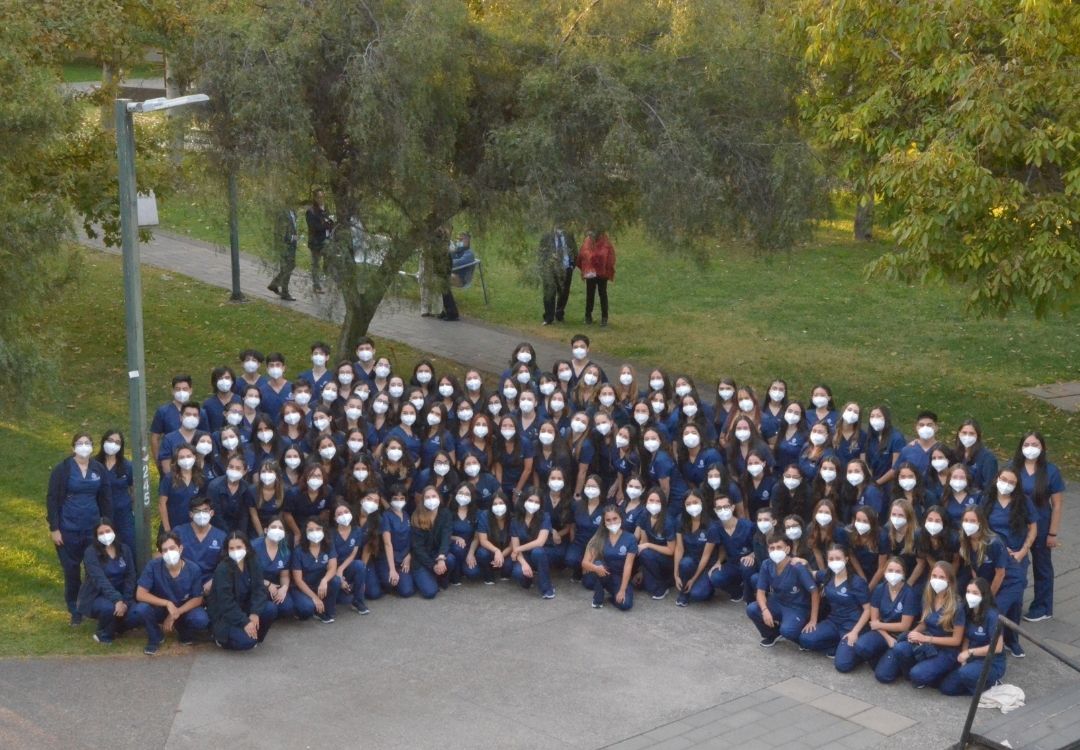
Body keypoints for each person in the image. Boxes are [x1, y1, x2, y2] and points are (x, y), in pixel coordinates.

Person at [47, 433, 113, 624]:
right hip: (68, 528)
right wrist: (55, 528)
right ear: (73, 447)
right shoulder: (63, 469)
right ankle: (74, 609)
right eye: (80, 443)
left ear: (92, 447)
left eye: (87, 443)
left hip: (92, 528)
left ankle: (91, 605)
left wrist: (107, 525)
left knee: (94, 568)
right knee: (72, 569)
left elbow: (106, 498)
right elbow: (52, 499)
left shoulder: (98, 469)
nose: (84, 446)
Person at [881, 560, 965, 688]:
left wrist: (926, 638)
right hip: (926, 642)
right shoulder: (929, 597)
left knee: (917, 675)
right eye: (934, 576)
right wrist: (915, 632)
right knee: (900, 648)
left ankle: (932, 672)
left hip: (946, 650)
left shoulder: (957, 606)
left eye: (942, 577)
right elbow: (925, 622)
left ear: (949, 580)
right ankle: (919, 670)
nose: (937, 580)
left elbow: (956, 640)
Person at [1012, 431, 1066, 623]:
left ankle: (1043, 607)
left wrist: (1053, 532)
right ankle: (1012, 603)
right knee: (1015, 563)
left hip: (1042, 525)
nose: (1030, 448)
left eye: (1035, 445)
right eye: (1027, 444)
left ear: (1042, 448)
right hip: (1018, 525)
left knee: (1042, 566)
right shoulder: (1014, 468)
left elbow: (1057, 504)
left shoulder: (1050, 471)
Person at [131, 532, 210, 655]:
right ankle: (155, 637)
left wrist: (175, 613)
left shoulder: (193, 569)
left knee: (200, 619)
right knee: (141, 608)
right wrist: (167, 603)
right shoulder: (153, 566)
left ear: (180, 548)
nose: (169, 553)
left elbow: (197, 599)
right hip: (160, 609)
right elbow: (140, 594)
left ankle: (184, 632)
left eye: (172, 548)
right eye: (165, 550)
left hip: (183, 610)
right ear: (161, 553)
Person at [842, 557, 918, 680]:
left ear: (904, 574)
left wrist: (880, 626)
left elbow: (904, 626)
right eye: (890, 570)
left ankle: (893, 662)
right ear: (884, 572)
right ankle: (883, 656)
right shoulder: (879, 589)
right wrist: (887, 637)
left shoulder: (909, 593)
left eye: (898, 571)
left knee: (883, 676)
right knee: (861, 646)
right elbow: (873, 622)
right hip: (881, 633)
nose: (893, 574)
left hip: (900, 637)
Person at [800, 544, 871, 665]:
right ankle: (837, 646)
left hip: (851, 625)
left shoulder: (857, 582)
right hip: (833, 621)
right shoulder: (827, 575)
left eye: (838, 558)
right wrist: (799, 561)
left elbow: (868, 610)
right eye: (831, 559)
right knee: (805, 639)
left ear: (846, 559)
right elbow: (810, 573)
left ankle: (855, 651)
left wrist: (854, 632)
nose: (834, 562)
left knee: (843, 664)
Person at [745, 532, 820, 647]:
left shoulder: (797, 567)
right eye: (772, 548)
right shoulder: (767, 564)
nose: (775, 551)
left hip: (797, 607)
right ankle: (772, 634)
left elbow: (814, 592)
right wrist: (765, 610)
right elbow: (760, 592)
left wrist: (813, 620)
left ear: (787, 549)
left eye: (779, 547)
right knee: (752, 609)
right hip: (777, 602)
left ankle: (800, 635)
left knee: (787, 631)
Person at [206, 533, 275, 650]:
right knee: (246, 643)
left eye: (239, 547)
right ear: (227, 550)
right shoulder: (222, 568)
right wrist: (245, 622)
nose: (235, 551)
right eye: (231, 548)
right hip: (225, 615)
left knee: (270, 609)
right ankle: (220, 638)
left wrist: (255, 613)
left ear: (246, 547)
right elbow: (225, 603)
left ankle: (254, 636)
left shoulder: (253, 562)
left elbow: (259, 589)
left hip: (245, 608)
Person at [940, 577, 1007, 695]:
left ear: (984, 595)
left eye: (975, 593)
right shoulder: (968, 610)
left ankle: (989, 684)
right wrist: (965, 654)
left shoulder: (992, 616)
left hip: (991, 661)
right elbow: (967, 636)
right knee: (947, 688)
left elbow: (997, 647)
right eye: (968, 592)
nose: (970, 595)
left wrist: (969, 652)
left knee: (965, 673)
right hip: (973, 657)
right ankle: (973, 683)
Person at [77, 518, 137, 644]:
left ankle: (114, 628)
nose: (105, 535)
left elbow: (130, 576)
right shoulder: (90, 553)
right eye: (101, 533)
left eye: (108, 531)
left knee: (138, 613)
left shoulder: (124, 549)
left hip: (122, 595)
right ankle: (105, 635)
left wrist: (125, 601)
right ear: (96, 536)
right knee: (110, 608)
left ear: (114, 531)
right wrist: (117, 600)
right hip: (96, 596)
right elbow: (100, 580)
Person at [581, 505, 637, 610]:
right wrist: (596, 568)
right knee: (597, 564)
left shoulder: (630, 538)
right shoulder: (599, 537)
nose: (612, 522)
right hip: (601, 572)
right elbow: (585, 563)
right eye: (608, 520)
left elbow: (628, 566)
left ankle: (611, 597)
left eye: (615, 518)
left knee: (626, 605)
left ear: (621, 518)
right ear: (604, 522)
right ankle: (598, 598)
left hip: (619, 578)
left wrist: (622, 590)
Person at [289, 519, 340, 622]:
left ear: (323, 531)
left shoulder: (328, 545)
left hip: (319, 584)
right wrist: (314, 598)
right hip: (302, 588)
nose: (315, 532)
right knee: (306, 609)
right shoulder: (298, 551)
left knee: (335, 580)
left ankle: (325, 610)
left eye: (318, 529)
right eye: (310, 530)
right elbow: (298, 580)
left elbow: (333, 567)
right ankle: (302, 608)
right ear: (305, 533)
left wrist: (324, 580)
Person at [538, 225, 577, 325]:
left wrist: (572, 265)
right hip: (550, 269)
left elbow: (574, 249)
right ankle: (548, 317)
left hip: (566, 268)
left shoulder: (568, 234)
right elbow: (541, 252)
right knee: (549, 293)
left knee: (564, 292)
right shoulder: (547, 236)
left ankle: (559, 314)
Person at [577, 229, 615, 326]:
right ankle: (588, 316)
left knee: (602, 294)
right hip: (591, 273)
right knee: (591, 294)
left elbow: (608, 256)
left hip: (601, 273)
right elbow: (583, 254)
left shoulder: (604, 242)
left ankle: (604, 317)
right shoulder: (588, 241)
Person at [305, 189, 333, 293]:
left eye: (323, 197)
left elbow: (329, 222)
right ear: (315, 198)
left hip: (326, 240)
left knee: (330, 261)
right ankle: (316, 285)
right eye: (319, 197)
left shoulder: (325, 209)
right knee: (316, 264)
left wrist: (330, 225)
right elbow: (314, 227)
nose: (321, 199)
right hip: (316, 242)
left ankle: (329, 282)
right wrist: (326, 225)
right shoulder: (311, 211)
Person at [267, 206, 299, 301]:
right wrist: (293, 238)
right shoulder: (283, 213)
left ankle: (276, 286)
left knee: (290, 266)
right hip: (285, 246)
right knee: (287, 267)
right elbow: (281, 232)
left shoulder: (293, 211)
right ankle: (283, 291)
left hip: (292, 245)